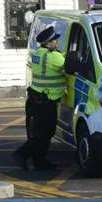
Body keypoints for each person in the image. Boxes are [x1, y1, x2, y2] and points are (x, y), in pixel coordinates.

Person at [13, 26, 67, 171]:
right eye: (55, 40)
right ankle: (21, 154)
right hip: (46, 101)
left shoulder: (38, 53)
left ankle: (39, 161)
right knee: (46, 133)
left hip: (35, 98)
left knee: (39, 133)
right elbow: (68, 66)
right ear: (49, 43)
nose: (56, 42)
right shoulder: (54, 56)